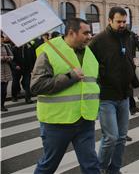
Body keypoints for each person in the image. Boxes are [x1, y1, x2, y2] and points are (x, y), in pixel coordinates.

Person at [30, 18, 100, 173]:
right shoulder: (48, 52)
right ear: (71, 33)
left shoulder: (89, 52)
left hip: (85, 120)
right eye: (86, 33)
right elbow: (36, 86)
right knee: (48, 166)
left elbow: (92, 83)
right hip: (57, 122)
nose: (90, 36)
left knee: (91, 165)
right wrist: (70, 77)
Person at [89, 7, 135, 174]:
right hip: (106, 95)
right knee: (111, 137)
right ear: (109, 21)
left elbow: (129, 60)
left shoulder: (129, 37)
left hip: (124, 95)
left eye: (124, 21)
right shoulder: (98, 40)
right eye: (118, 21)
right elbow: (87, 64)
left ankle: (114, 169)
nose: (122, 24)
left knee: (122, 138)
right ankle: (100, 169)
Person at [1, 32, 14, 112]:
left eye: (2, 38)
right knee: (1, 89)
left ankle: (2, 104)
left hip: (6, 69)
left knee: (4, 89)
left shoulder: (6, 46)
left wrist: (8, 58)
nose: (1, 39)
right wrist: (2, 58)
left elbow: (12, 56)